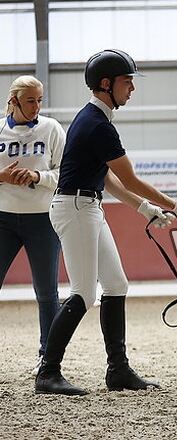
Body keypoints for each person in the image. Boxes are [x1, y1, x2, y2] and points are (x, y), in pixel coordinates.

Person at [36, 49, 177, 396]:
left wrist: (144, 208)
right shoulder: (97, 124)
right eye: (127, 81)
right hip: (76, 208)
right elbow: (130, 179)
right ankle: (47, 372)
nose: (132, 88)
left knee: (116, 285)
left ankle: (118, 371)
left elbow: (109, 179)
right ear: (106, 84)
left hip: (87, 205)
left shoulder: (95, 119)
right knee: (83, 293)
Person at [0, 75, 66, 373]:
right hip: (2, 218)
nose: (37, 106)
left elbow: (66, 172)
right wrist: (2, 176)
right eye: (30, 101)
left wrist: (38, 177)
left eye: (40, 100)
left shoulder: (51, 128)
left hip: (42, 219)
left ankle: (48, 358)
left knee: (46, 292)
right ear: (13, 101)